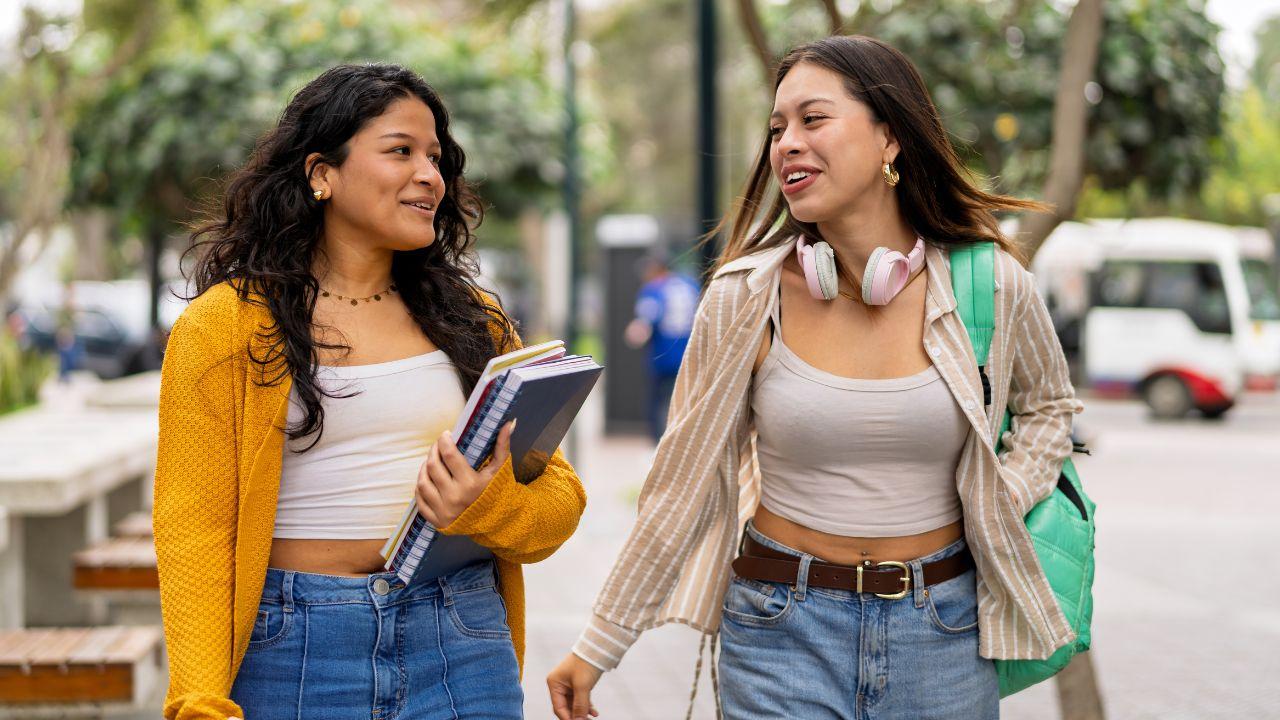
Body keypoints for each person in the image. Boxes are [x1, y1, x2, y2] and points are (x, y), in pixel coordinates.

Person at [547, 35, 1081, 720]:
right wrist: (600, 644)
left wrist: (999, 498)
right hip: (779, 631)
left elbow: (1049, 408)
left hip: (945, 632)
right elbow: (681, 485)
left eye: (813, 119)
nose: (787, 144)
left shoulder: (992, 285)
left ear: (890, 138)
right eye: (777, 129)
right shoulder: (744, 298)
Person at [154, 63, 587, 720]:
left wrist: (486, 504)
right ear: (321, 173)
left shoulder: (474, 322)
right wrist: (198, 701)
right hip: (293, 648)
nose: (430, 175)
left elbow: (560, 506)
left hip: (460, 639)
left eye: (435, 157)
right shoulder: (225, 325)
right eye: (400, 151)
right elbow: (194, 531)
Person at [623, 251, 700, 442]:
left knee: (658, 402)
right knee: (685, 401)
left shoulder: (654, 288)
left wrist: (634, 333)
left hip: (663, 356)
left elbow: (644, 323)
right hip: (690, 354)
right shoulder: (690, 284)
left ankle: (659, 442)